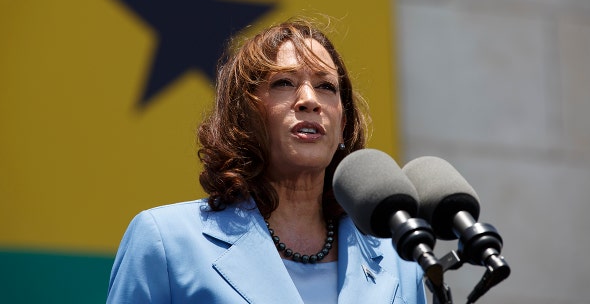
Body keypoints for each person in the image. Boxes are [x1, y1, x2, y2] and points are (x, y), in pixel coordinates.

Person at [107, 18, 427, 304]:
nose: (309, 101)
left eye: (326, 86)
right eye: (284, 83)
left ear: (342, 123)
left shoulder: (399, 257)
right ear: (245, 115)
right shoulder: (165, 242)